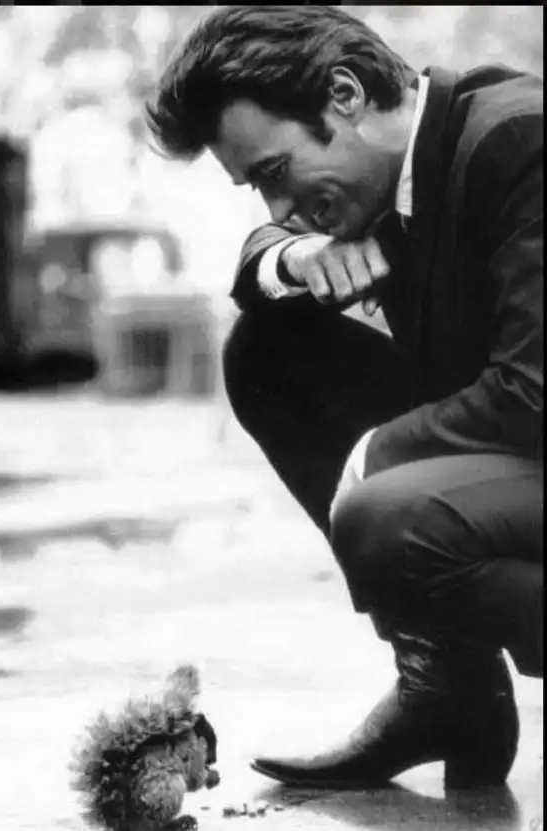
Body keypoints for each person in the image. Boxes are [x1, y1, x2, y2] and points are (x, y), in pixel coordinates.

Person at [146, 6, 543, 790]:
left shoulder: (517, 140)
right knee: (268, 350)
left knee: (383, 513)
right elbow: (259, 257)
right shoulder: (402, 169)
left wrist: (374, 454)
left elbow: (533, 393)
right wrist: (297, 256)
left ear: (345, 94)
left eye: (274, 174)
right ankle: (448, 691)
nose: (277, 208)